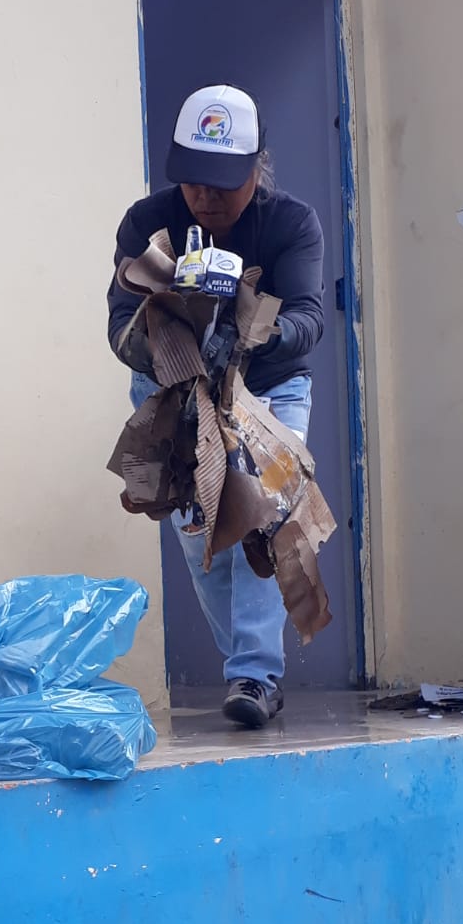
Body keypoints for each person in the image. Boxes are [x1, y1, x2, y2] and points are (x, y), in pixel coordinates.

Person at [107, 83, 325, 729]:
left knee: (261, 517)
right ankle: (249, 670)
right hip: (176, 390)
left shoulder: (292, 225)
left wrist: (259, 329)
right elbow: (118, 325)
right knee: (204, 534)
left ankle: (254, 674)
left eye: (223, 184)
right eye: (194, 181)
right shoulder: (146, 222)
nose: (205, 197)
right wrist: (168, 326)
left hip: (271, 387)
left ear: (257, 167)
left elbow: (310, 316)